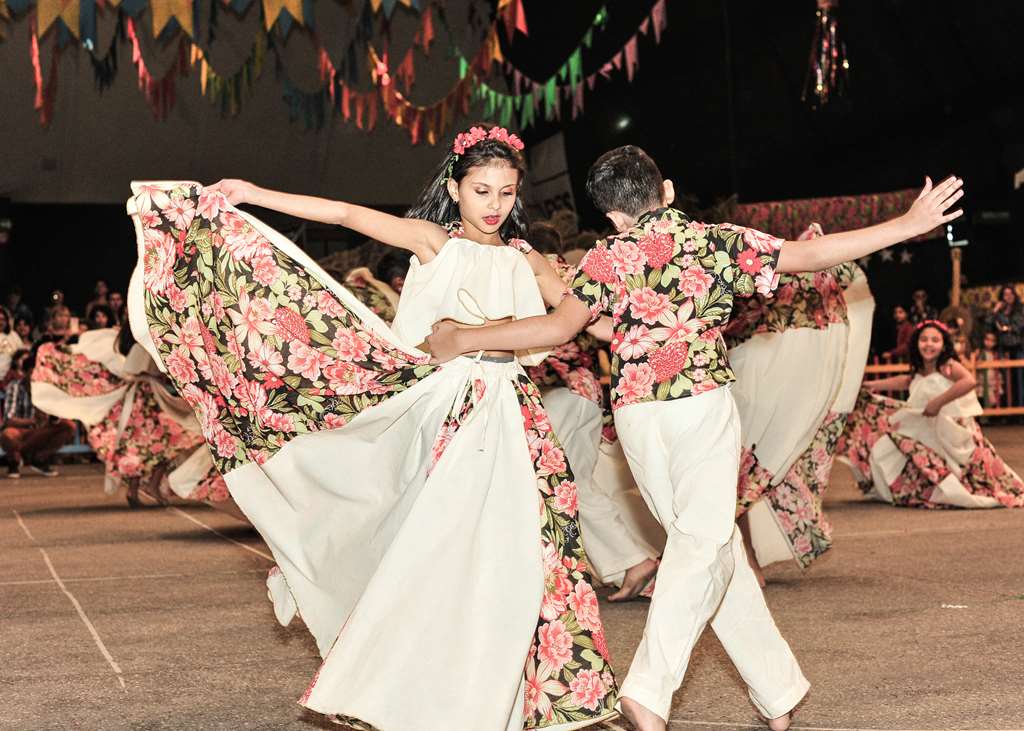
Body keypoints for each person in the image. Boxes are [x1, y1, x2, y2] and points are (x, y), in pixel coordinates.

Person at [425, 145, 964, 731]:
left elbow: (561, 328)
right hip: (699, 403)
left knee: (712, 546)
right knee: (700, 545)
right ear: (668, 191)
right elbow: (809, 255)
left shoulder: (607, 256)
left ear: (612, 215)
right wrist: (906, 224)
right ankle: (649, 690)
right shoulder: (713, 241)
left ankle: (777, 691)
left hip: (636, 417)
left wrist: (467, 337)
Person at [126, 124, 618, 730]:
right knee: (441, 545)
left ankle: (501, 692)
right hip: (449, 409)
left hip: (515, 411)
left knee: (515, 550)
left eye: (507, 192)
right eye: (482, 190)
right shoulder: (434, 241)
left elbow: (589, 317)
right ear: (455, 189)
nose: (494, 204)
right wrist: (254, 193)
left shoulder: (526, 257)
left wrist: (657, 316)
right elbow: (345, 213)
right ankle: (416, 681)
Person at [841, 320, 1023, 508]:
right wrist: (875, 385)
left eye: (935, 340)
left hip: (951, 430)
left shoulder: (947, 365)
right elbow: (908, 380)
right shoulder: (920, 368)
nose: (929, 344)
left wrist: (939, 402)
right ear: (916, 343)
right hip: (926, 427)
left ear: (944, 345)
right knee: (887, 445)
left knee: (961, 468)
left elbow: (968, 381)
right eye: (924, 340)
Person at [2, 349, 74, 478]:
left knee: (68, 426)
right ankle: (15, 460)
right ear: (24, 373)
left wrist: (53, 417)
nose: (36, 377)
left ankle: (38, 459)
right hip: (20, 431)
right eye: (33, 373)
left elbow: (55, 416)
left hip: (39, 431)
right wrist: (33, 420)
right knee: (8, 434)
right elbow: (9, 419)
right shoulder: (15, 387)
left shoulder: (46, 387)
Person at [989, 285, 1024, 405]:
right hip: (1003, 349)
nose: (1008, 297)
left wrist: (1007, 328)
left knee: (1019, 379)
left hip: (1018, 348)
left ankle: (1020, 407)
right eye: (1005, 294)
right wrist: (995, 311)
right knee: (1005, 380)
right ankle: (1008, 409)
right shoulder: (999, 311)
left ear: (1014, 295)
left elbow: (1019, 326)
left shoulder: (1020, 308)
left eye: (1010, 294)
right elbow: (988, 325)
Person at [975, 330, 1003, 409]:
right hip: (983, 379)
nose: (989, 342)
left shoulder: (996, 354)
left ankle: (993, 413)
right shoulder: (980, 352)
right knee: (983, 397)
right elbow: (977, 364)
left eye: (992, 340)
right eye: (987, 339)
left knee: (994, 399)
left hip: (993, 379)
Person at [0, 306, 25, 382]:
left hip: (10, 378)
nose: (1, 322)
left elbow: (22, 354)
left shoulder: (13, 335)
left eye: (3, 319)